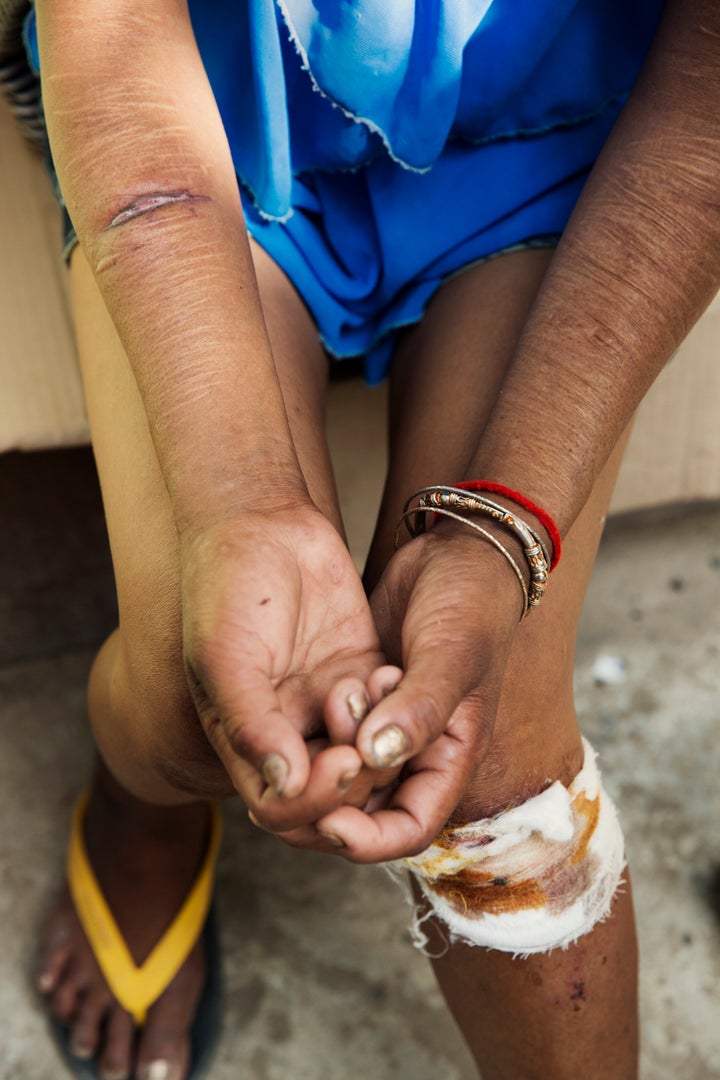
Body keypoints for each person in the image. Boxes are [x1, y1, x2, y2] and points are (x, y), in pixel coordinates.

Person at [13, 0, 720, 1077]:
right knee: (193, 691)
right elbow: (113, 41)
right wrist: (239, 502)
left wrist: (502, 530)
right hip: (208, 112)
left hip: (559, 116)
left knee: (491, 765)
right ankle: (142, 803)